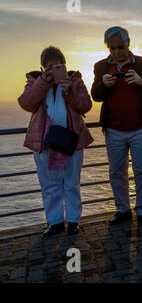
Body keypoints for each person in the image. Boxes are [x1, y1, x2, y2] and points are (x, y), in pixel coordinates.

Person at [18, 46, 94, 237]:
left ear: (65, 65)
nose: (54, 70)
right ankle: (55, 222)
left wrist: (69, 91)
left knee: (71, 184)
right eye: (49, 67)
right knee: (49, 185)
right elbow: (26, 103)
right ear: (43, 68)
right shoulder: (34, 82)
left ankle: (73, 221)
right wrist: (43, 82)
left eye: (58, 66)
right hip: (44, 144)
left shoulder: (75, 81)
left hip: (71, 141)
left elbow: (85, 105)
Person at [91, 26, 142, 226]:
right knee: (116, 172)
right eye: (112, 48)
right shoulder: (101, 66)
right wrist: (103, 84)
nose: (116, 52)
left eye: (120, 47)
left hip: (140, 128)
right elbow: (96, 96)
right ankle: (122, 210)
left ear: (128, 44)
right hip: (113, 129)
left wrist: (141, 82)